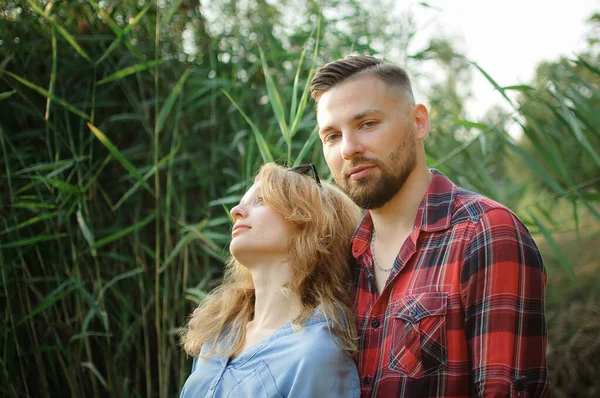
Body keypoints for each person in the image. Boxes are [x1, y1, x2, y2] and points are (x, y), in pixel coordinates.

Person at [309, 55, 548, 397]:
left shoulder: (485, 233)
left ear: (419, 122)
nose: (348, 149)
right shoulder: (341, 258)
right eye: (332, 136)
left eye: (367, 124)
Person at [179, 162, 362, 398]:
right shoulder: (219, 333)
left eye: (262, 200)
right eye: (243, 201)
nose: (236, 210)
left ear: (309, 223)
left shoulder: (316, 354)